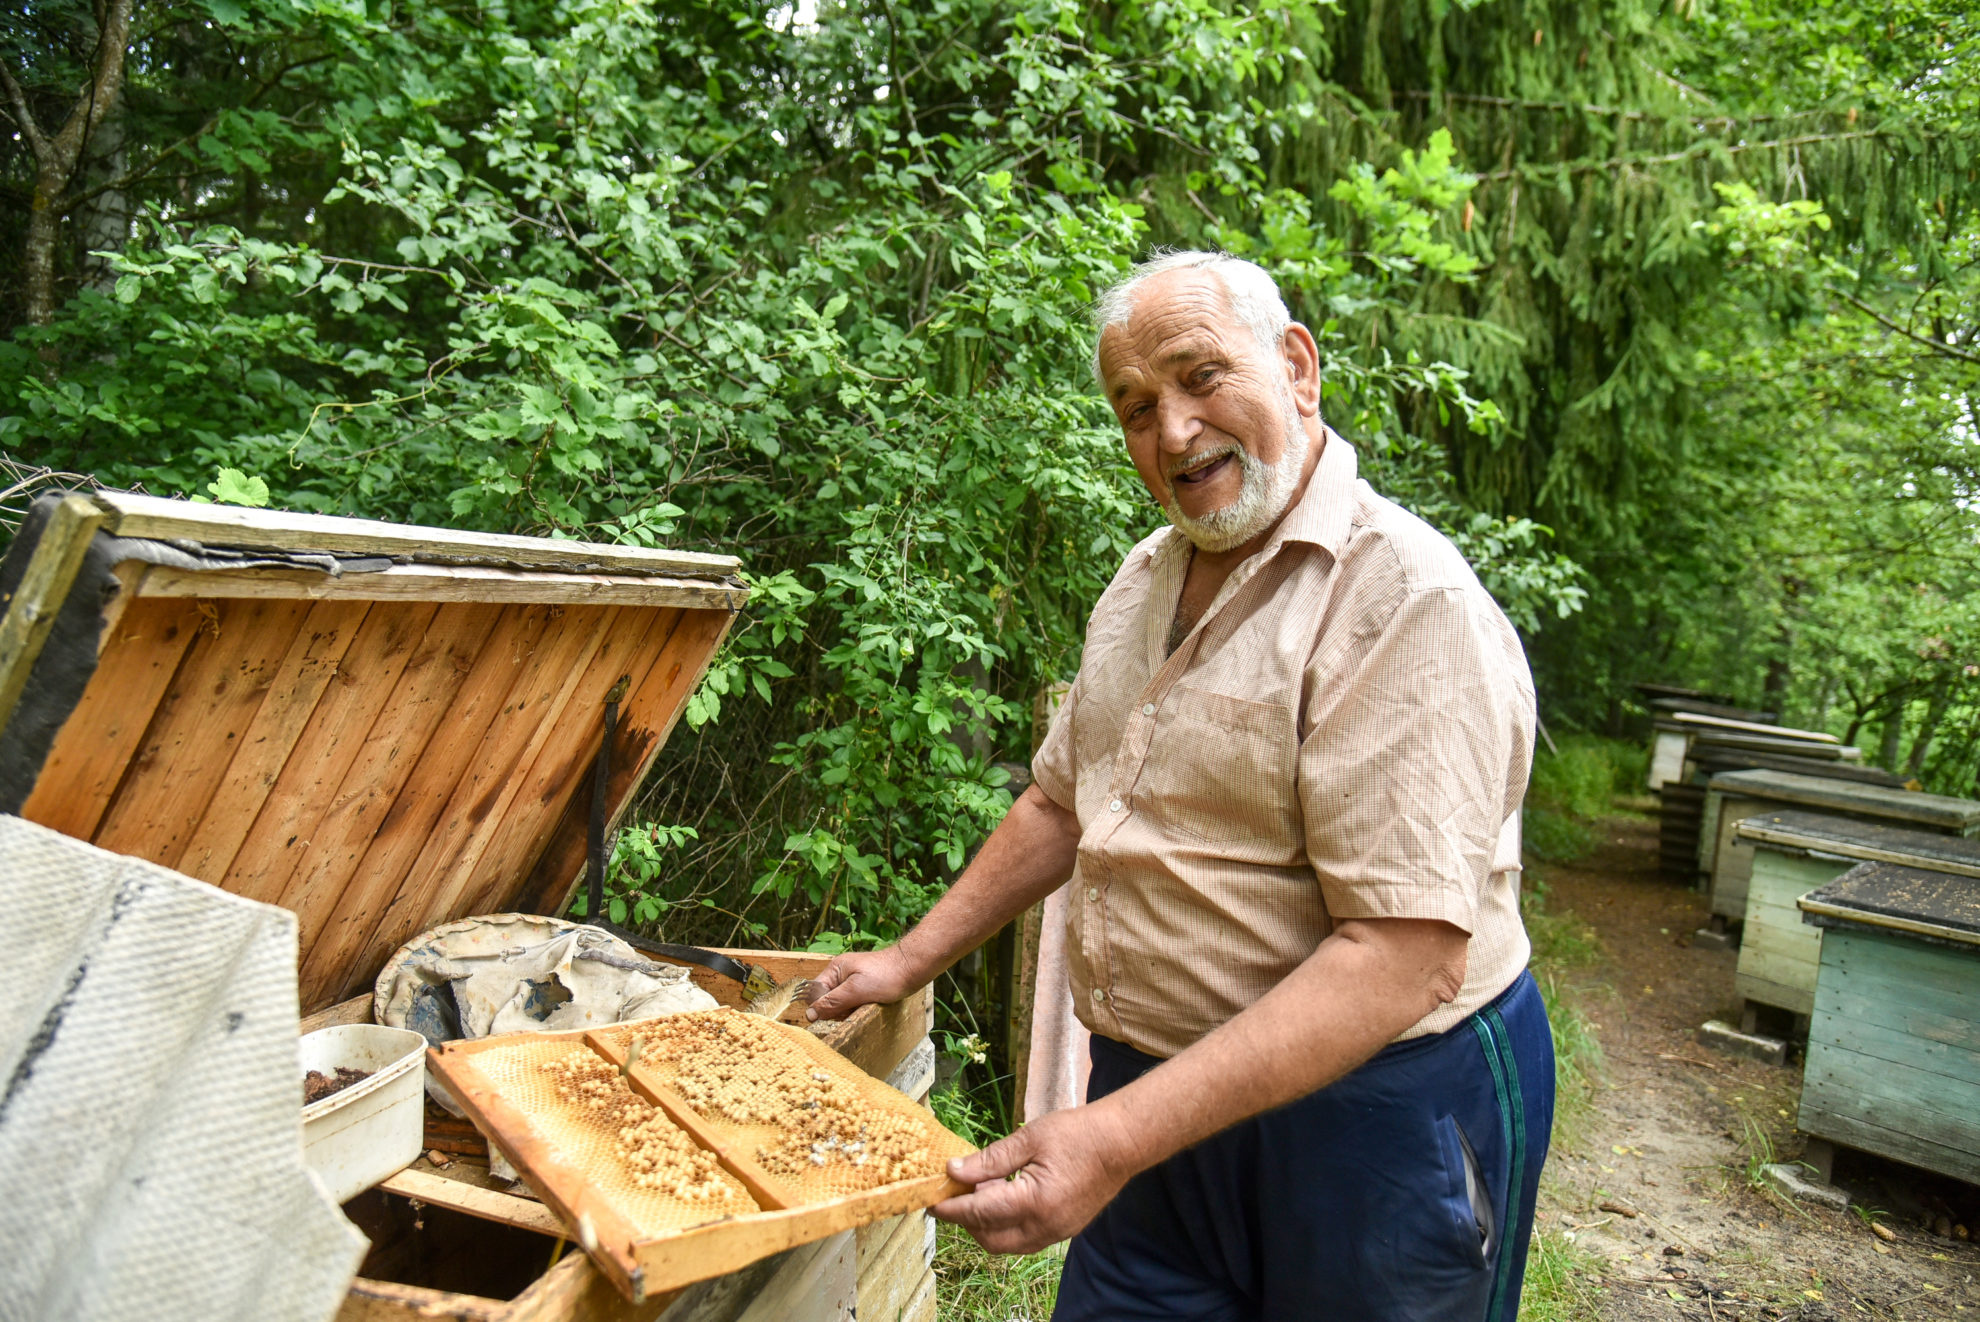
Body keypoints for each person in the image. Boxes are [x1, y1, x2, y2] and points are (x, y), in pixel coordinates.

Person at [806, 250, 1552, 1322]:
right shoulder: (1143, 579)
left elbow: (1404, 955)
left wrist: (1108, 1140)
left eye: (1203, 378)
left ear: (1298, 368)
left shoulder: (1405, 598)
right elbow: (1062, 800)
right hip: (1152, 1103)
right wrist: (907, 958)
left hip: (1380, 1116)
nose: (1174, 432)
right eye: (1136, 408)